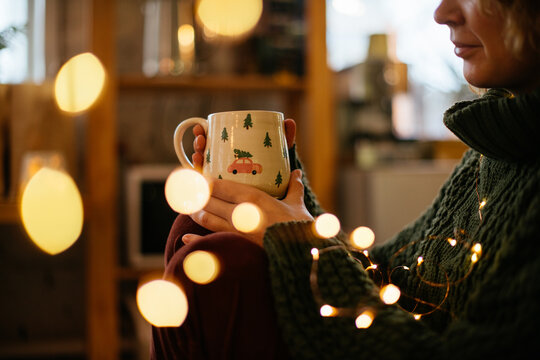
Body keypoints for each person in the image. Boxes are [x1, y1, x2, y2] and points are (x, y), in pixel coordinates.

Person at [151, 0, 540, 358]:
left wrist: (298, 242)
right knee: (198, 229)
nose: (442, 13)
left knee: (223, 260)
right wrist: (283, 196)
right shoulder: (495, 150)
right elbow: (389, 278)